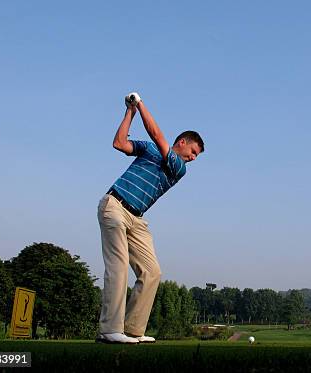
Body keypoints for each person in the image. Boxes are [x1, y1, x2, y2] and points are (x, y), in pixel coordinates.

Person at [95, 93, 204, 344]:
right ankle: (109, 330)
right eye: (194, 151)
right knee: (119, 266)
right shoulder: (150, 149)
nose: (194, 158)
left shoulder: (178, 167)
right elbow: (120, 144)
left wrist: (140, 103)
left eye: (197, 155)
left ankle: (133, 329)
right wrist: (131, 112)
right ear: (183, 141)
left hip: (136, 219)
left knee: (152, 271)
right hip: (115, 206)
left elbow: (157, 135)